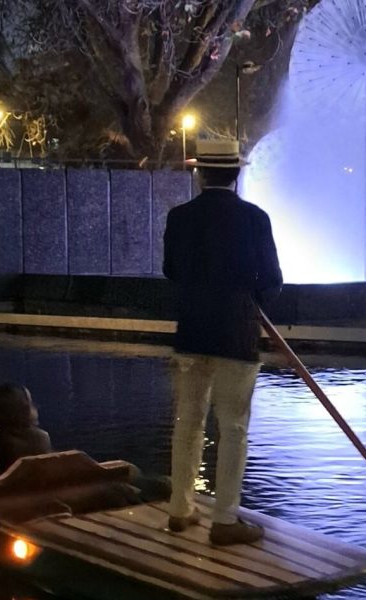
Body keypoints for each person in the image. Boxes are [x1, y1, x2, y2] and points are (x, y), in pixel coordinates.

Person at [162, 138, 283, 546]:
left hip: (192, 333)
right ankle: (225, 520)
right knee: (233, 427)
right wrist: (250, 303)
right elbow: (271, 280)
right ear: (237, 173)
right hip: (236, 334)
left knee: (188, 423)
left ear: (199, 173)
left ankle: (180, 509)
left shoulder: (179, 217)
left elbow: (171, 271)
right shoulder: (254, 218)